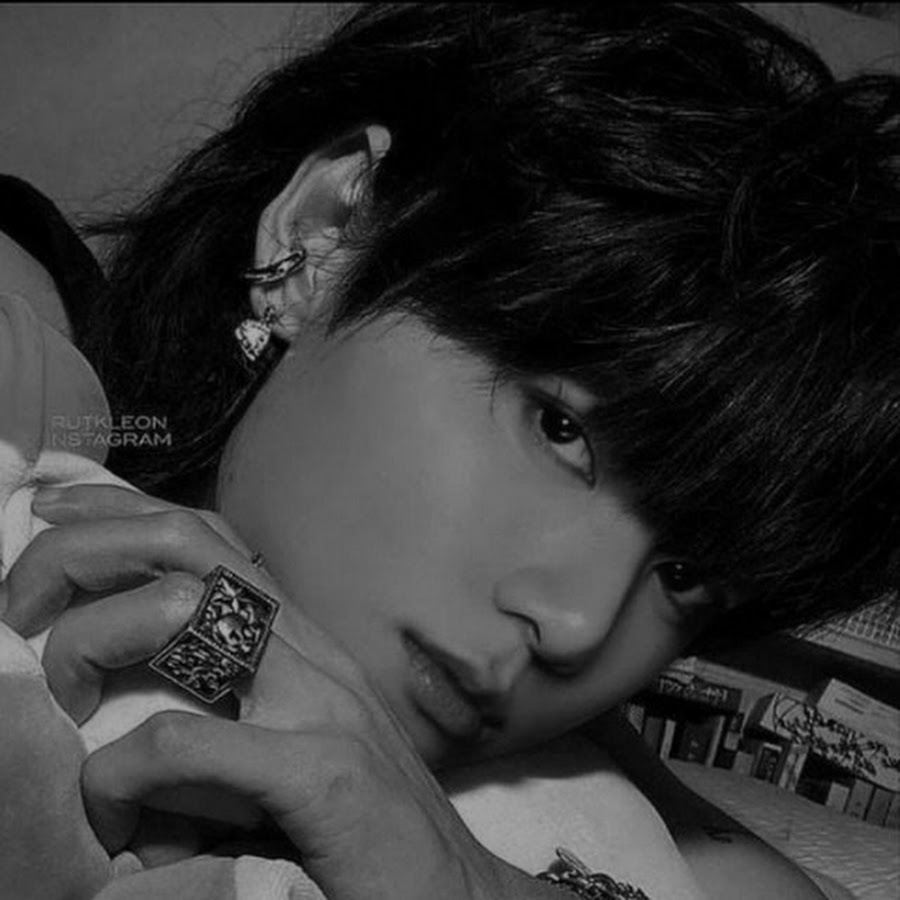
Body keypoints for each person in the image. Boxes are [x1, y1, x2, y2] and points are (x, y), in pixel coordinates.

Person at [0, 3, 897, 899]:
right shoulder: (30, 343)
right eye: (560, 429)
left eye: (686, 577)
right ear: (323, 234)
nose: (581, 626)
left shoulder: (542, 755)